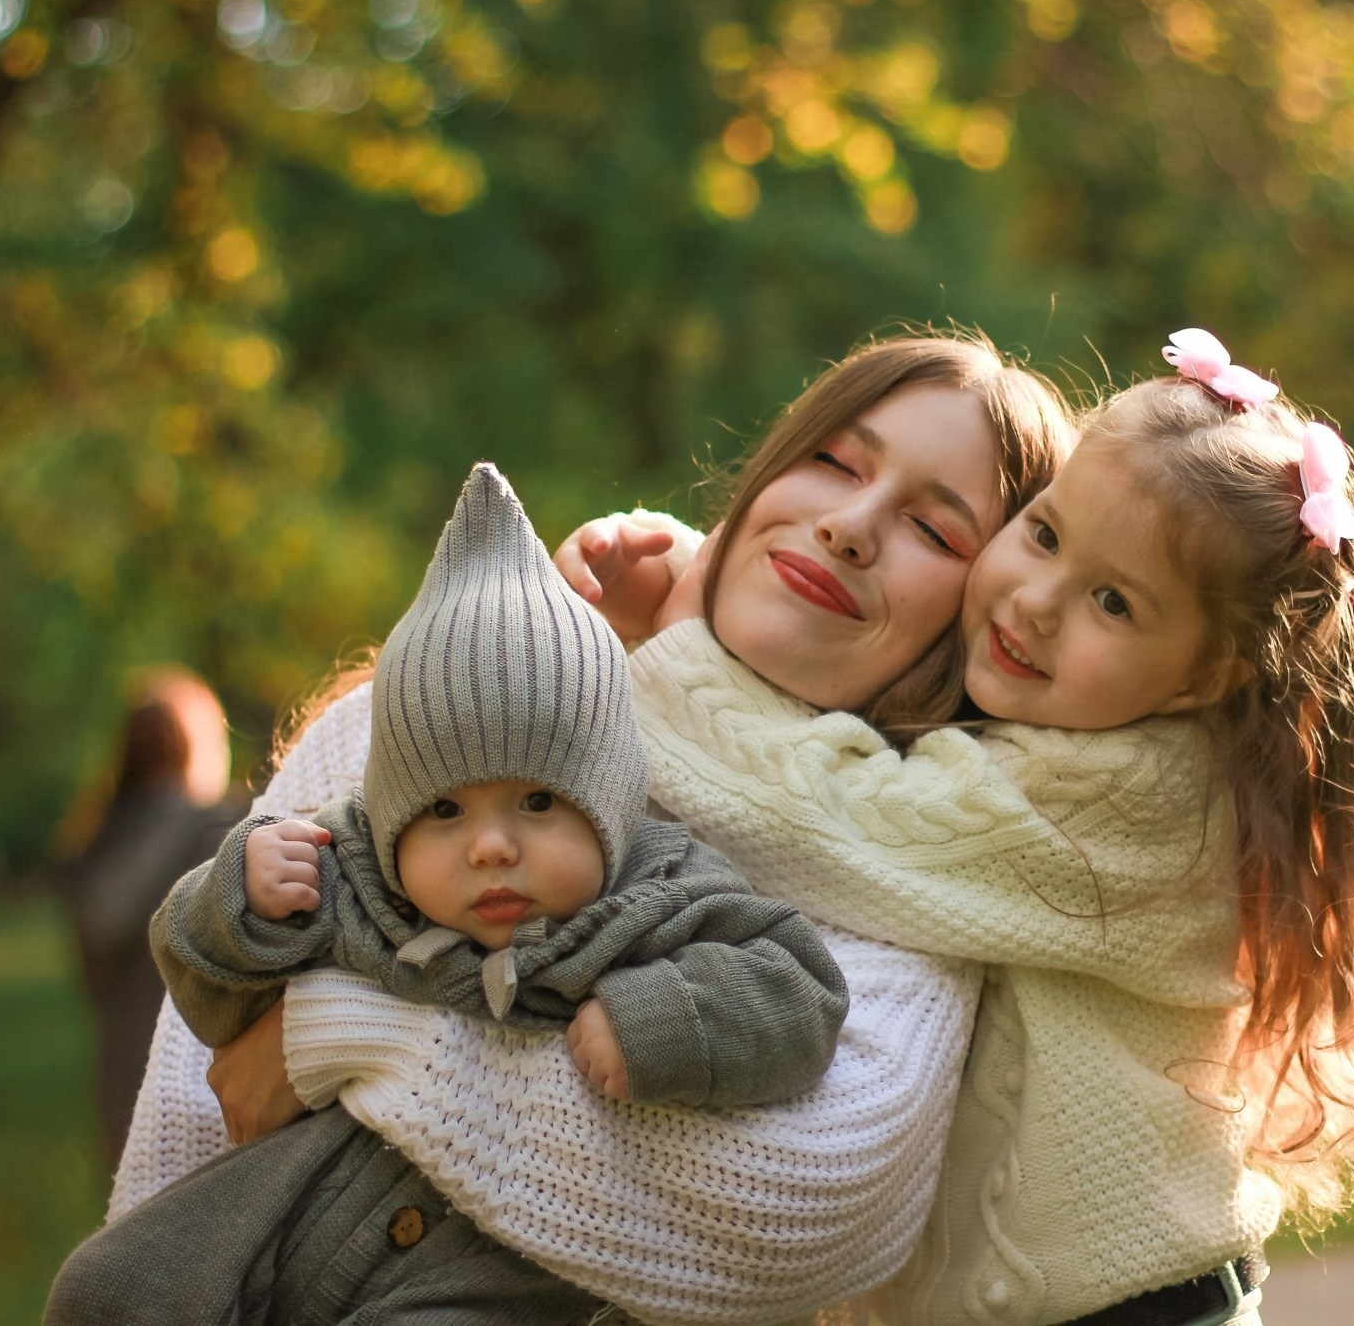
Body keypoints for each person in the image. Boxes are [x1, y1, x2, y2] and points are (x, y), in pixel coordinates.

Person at [103, 331, 1077, 1323]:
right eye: (833, 460)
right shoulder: (446, 699)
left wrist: (343, 1028)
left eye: (934, 531)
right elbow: (185, 1122)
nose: (850, 525)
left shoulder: (914, 876)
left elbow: (806, 1197)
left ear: (978, 618)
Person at [600, 328, 1354, 1322]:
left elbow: (831, 819)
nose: (1038, 602)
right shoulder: (1066, 733)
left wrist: (675, 637)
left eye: (1112, 602)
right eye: (1043, 533)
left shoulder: (1136, 800)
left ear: (1205, 675)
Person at [48, 463, 846, 1324]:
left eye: (537, 802)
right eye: (445, 811)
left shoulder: (658, 887)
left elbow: (798, 985)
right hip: (290, 1204)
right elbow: (207, 998)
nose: (492, 845)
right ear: (392, 821)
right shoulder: (349, 867)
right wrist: (239, 898)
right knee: (110, 1287)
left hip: (493, 1267)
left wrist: (657, 1019)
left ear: (611, 802)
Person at [55, 667, 241, 1168]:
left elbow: (90, 972)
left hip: (122, 1070)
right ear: (197, 747)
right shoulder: (223, 837)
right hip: (205, 1077)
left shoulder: (96, 835)